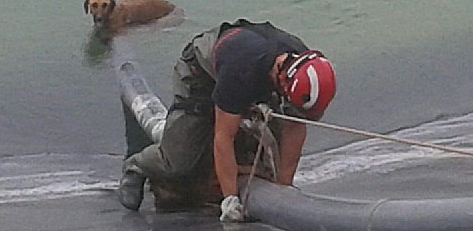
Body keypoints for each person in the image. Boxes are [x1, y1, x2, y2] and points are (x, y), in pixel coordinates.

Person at [118, 19, 336, 222]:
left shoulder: (302, 63)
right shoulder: (241, 69)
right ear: (282, 79)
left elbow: (294, 128)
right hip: (201, 75)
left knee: (273, 148)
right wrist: (230, 198)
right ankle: (136, 167)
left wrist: (284, 189)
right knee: (180, 161)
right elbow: (224, 137)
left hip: (252, 73)